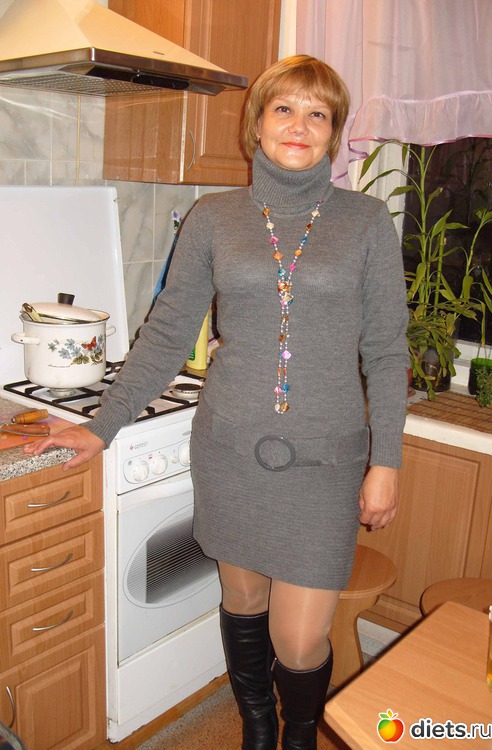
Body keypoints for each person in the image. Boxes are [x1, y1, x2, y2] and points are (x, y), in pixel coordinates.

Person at [25, 55, 409, 750]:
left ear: (334, 133)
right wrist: (102, 427)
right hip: (231, 450)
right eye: (283, 109)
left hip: (325, 464)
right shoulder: (214, 218)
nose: (299, 125)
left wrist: (386, 462)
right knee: (243, 599)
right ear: (256, 123)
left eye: (317, 114)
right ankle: (257, 727)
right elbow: (166, 333)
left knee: (300, 639)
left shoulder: (365, 221)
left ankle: (297, 734)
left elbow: (386, 351)